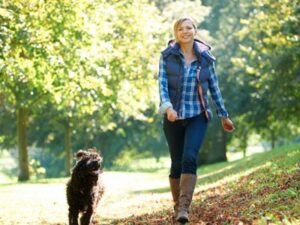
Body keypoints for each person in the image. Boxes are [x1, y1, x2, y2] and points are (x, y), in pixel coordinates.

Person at [158, 17, 234, 223]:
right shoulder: (167, 57)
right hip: (173, 118)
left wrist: (223, 115)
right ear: (176, 33)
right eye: (180, 29)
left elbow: (215, 87)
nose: (185, 31)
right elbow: (162, 86)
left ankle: (184, 208)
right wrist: (168, 108)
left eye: (188, 28)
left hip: (198, 115)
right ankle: (177, 207)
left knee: (189, 157)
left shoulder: (206, 58)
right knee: (176, 162)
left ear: (195, 30)